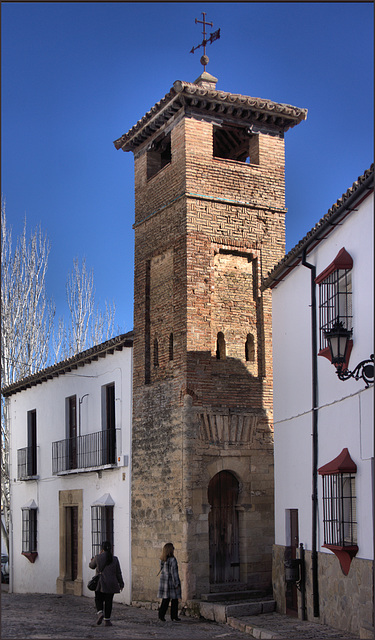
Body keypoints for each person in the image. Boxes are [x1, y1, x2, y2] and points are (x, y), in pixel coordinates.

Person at [89, 541, 124, 627]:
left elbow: (91, 566)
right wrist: (121, 583)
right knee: (109, 601)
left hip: (100, 583)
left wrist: (93, 560)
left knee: (98, 599)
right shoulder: (115, 559)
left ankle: (100, 612)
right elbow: (118, 573)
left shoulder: (98, 557)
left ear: (102, 548)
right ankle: (107, 620)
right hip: (111, 583)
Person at [157, 542, 181, 622]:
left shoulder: (162, 560)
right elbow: (174, 573)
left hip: (164, 582)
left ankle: (161, 615)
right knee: (174, 600)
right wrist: (177, 583)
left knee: (165, 600)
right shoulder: (173, 560)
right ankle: (174, 616)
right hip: (171, 582)